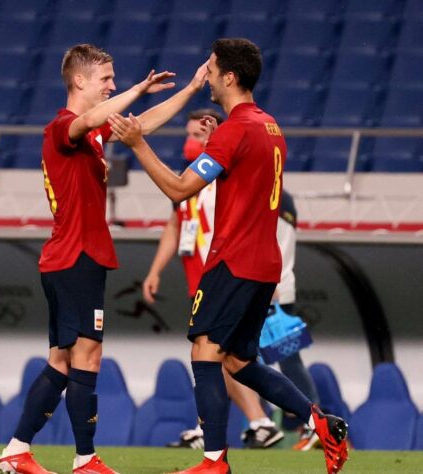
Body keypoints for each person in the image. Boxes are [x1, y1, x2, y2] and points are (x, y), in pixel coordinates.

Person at [109, 38, 348, 474]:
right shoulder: (271, 126)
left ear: (230, 77)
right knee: (238, 360)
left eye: (212, 69)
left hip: (233, 259)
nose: (208, 77)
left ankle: (214, 460)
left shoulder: (235, 128)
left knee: (204, 350)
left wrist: (138, 144)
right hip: (264, 263)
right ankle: (320, 421)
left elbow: (180, 189)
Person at [0, 43, 209, 474]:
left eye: (114, 80)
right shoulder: (63, 125)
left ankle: (17, 450)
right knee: (86, 357)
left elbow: (141, 125)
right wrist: (136, 88)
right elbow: (93, 118)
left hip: (70, 256)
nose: (112, 85)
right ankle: (85, 459)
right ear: (79, 81)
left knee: (62, 362)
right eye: (105, 79)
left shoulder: (90, 132)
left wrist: (189, 90)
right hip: (76, 256)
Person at [146, 109, 283, 450]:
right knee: (216, 357)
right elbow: (175, 226)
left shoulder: (216, 179)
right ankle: (218, 426)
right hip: (205, 278)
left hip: (229, 276)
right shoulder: (194, 177)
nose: (189, 142)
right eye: (189, 135)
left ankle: (261, 420)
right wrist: (155, 270)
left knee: (227, 356)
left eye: (197, 135)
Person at [274, 189, 322, 451]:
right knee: (288, 360)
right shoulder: (286, 197)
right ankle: (313, 422)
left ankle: (314, 423)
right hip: (281, 287)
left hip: (270, 290)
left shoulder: (268, 195)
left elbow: (268, 240)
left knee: (286, 360)